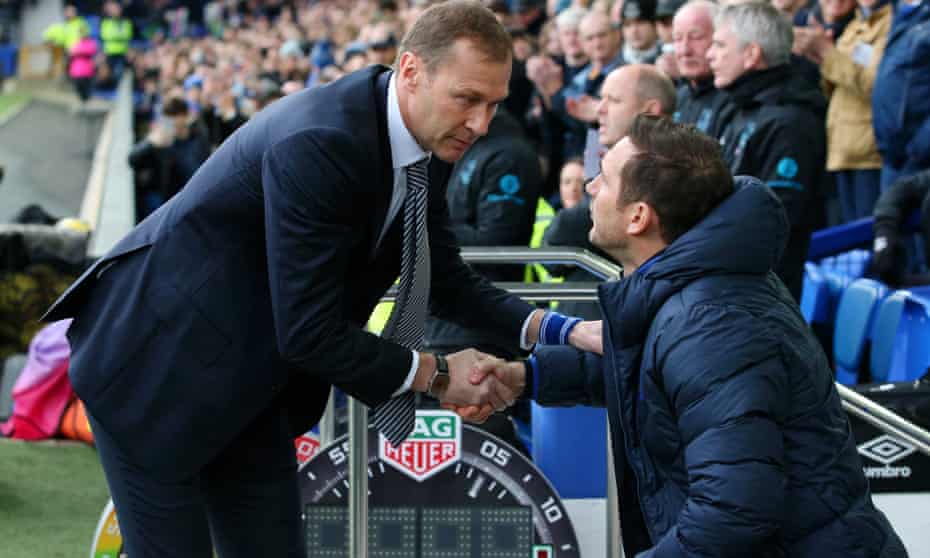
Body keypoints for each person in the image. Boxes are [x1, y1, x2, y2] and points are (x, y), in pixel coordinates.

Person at [42, 3, 599, 555]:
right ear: (411, 71)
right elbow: (308, 330)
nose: (481, 123)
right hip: (155, 371)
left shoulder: (428, 134)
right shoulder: (321, 141)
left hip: (250, 383)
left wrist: (563, 331)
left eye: (494, 103)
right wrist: (437, 374)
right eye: (468, 99)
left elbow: (444, 277)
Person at [460, 114, 908, 558]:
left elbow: (731, 513)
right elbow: (663, 383)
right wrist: (527, 377)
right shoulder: (693, 289)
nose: (590, 187)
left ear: (638, 217)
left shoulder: (712, 323)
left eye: (605, 179)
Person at [709, 1, 827, 301]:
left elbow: (774, 219)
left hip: (760, 298)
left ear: (751, 54)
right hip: (727, 281)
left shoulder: (790, 122)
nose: (710, 55)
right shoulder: (737, 107)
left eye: (720, 45)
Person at [794, 0, 892, 222]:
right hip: (842, 150)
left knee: (868, 233)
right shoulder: (857, 23)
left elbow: (878, 84)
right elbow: (835, 86)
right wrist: (818, 56)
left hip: (870, 153)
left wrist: (827, 52)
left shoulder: (891, 23)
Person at [671, 0, 731, 139]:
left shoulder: (733, 101)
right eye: (678, 39)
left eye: (696, 38)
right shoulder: (678, 97)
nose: (685, 50)